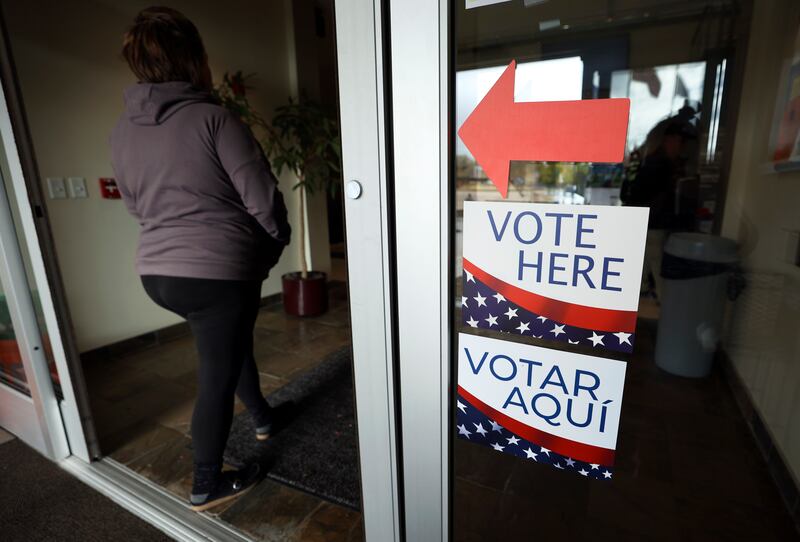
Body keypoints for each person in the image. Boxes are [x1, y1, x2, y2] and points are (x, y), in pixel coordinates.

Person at [110, 7, 291, 511]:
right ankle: (206, 483)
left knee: (228, 348)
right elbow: (263, 199)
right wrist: (275, 243)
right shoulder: (214, 118)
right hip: (215, 273)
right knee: (214, 376)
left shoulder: (122, 131)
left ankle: (263, 418)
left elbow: (134, 206)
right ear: (194, 59)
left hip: (157, 272)